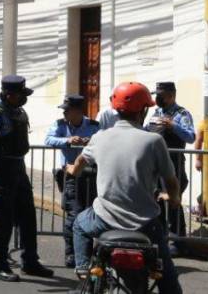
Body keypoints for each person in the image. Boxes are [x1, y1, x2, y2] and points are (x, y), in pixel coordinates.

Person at [65, 82, 183, 294]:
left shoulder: (100, 137)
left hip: (104, 219)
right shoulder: (154, 141)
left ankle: (83, 270)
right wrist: (174, 198)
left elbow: (81, 161)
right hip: (145, 223)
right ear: (143, 110)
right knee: (169, 281)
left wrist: (73, 170)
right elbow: (171, 180)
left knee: (79, 225)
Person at [0, 75, 54, 282]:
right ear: (9, 95)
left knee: (27, 216)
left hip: (18, 167)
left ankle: (30, 261)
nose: (23, 98)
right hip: (0, 168)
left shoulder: (17, 111)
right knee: (2, 219)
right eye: (20, 94)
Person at [44, 94, 99, 268]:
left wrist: (91, 142)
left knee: (89, 214)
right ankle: (71, 254)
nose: (65, 113)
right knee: (73, 215)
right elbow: (48, 140)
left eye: (67, 110)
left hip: (91, 176)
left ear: (78, 111)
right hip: (71, 176)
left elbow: (105, 142)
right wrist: (67, 140)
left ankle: (87, 253)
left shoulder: (94, 126)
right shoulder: (60, 125)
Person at [143, 81, 194, 251]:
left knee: (173, 200)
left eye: (160, 95)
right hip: (154, 165)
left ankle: (177, 241)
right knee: (156, 200)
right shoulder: (156, 112)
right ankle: (160, 237)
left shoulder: (182, 114)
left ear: (171, 95)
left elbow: (191, 137)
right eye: (156, 95)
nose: (157, 98)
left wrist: (173, 126)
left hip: (174, 163)